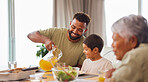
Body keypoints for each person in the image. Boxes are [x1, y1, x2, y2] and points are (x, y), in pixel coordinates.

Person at [105, 15, 148, 82]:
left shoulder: (135, 56)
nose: (112, 45)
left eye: (115, 40)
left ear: (132, 41)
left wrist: (109, 78)